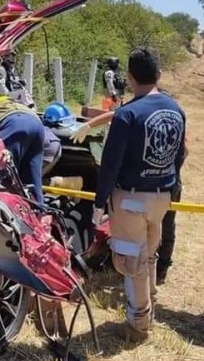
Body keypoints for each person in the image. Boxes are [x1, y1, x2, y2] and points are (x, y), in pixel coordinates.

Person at [92, 47, 186, 342]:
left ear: (130, 77)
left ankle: (138, 325)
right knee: (149, 254)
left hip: (131, 198)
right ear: (159, 74)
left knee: (132, 262)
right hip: (162, 196)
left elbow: (110, 164)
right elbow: (179, 155)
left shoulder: (127, 114)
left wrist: (99, 202)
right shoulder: (176, 109)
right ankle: (150, 305)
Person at [74, 104, 189, 285]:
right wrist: (88, 125)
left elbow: (184, 150)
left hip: (167, 183)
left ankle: (161, 268)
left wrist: (166, 167)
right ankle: (141, 272)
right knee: (144, 232)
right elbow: (114, 114)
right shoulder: (140, 117)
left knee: (166, 225)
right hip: (154, 185)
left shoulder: (168, 124)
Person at [0, 83, 45, 203]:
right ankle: (40, 209)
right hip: (36, 123)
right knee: (33, 177)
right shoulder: (4, 99)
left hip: (15, 123)